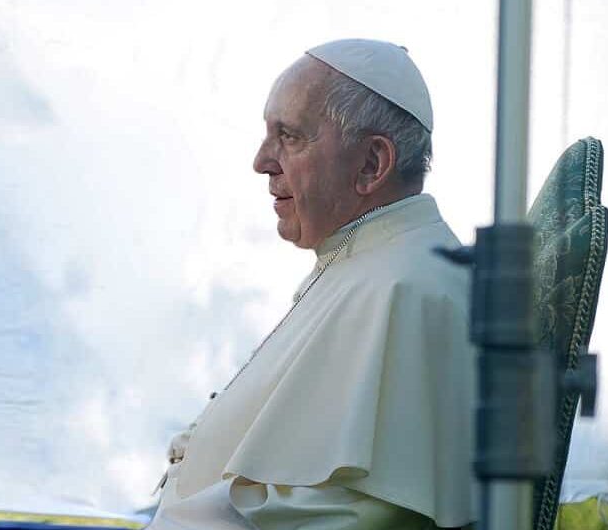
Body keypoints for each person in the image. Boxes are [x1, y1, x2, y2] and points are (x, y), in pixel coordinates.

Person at [147, 39, 476, 529]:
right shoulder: (360, 261)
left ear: (371, 163)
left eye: (289, 136)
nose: (262, 161)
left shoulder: (410, 289)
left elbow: (362, 512)